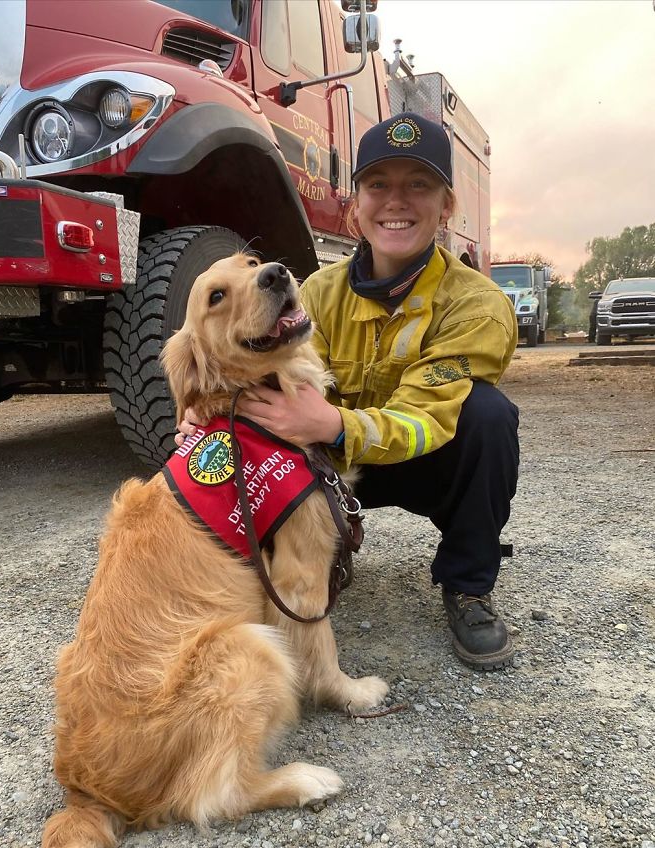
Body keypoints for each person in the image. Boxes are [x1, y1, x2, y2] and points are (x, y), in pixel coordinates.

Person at [176, 112, 520, 672]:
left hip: (422, 459)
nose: (396, 202)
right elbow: (263, 377)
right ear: (355, 202)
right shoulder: (317, 291)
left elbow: (428, 419)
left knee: (488, 416)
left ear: (447, 205)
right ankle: (277, 578)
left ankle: (468, 584)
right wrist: (207, 415)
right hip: (329, 464)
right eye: (378, 185)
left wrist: (334, 426)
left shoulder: (478, 304)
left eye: (419, 185)